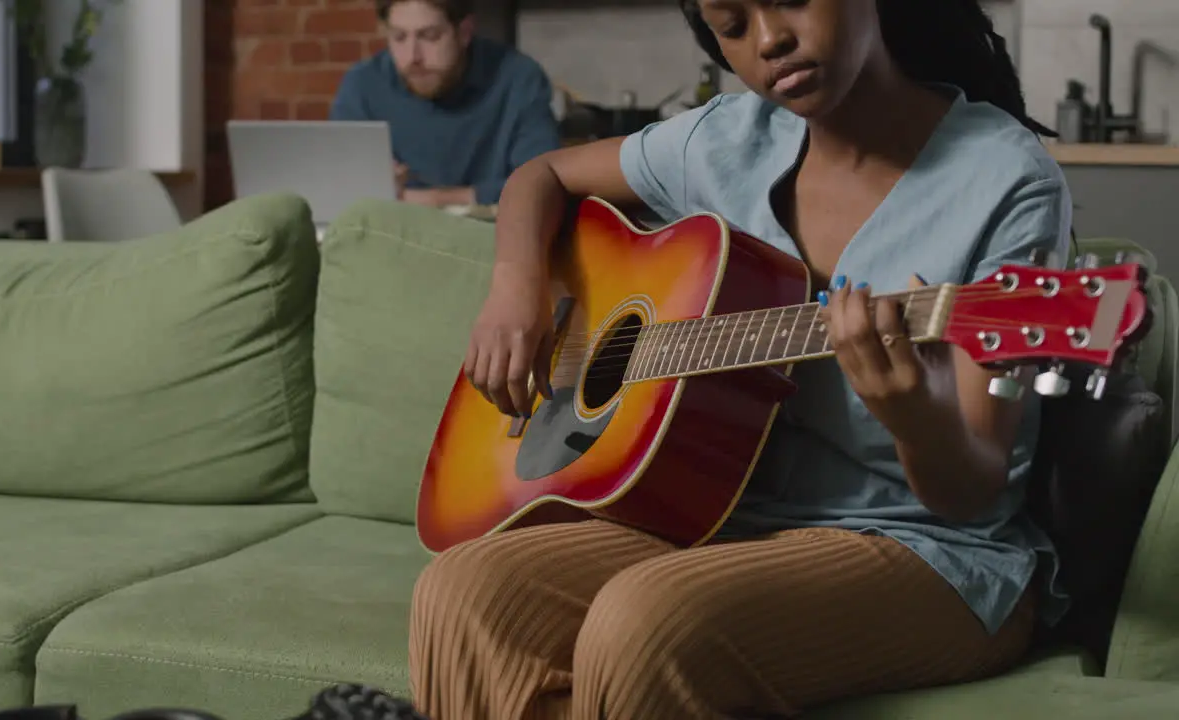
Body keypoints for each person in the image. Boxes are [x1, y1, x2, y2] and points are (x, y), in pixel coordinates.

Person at [401, 0, 1074, 718]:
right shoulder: (726, 140)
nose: (769, 40)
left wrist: (914, 417)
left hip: (933, 551)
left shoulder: (1006, 179)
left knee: (648, 621)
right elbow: (542, 175)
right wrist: (516, 287)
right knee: (462, 595)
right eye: (731, 27)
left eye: (789, 1)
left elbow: (972, 491)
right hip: (725, 518)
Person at [329, 0, 562, 209]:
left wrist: (439, 199)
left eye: (430, 36)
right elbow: (336, 185)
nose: (413, 57)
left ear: (464, 32)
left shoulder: (518, 78)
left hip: (494, 237)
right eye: (399, 37)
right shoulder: (362, 84)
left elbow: (544, 182)